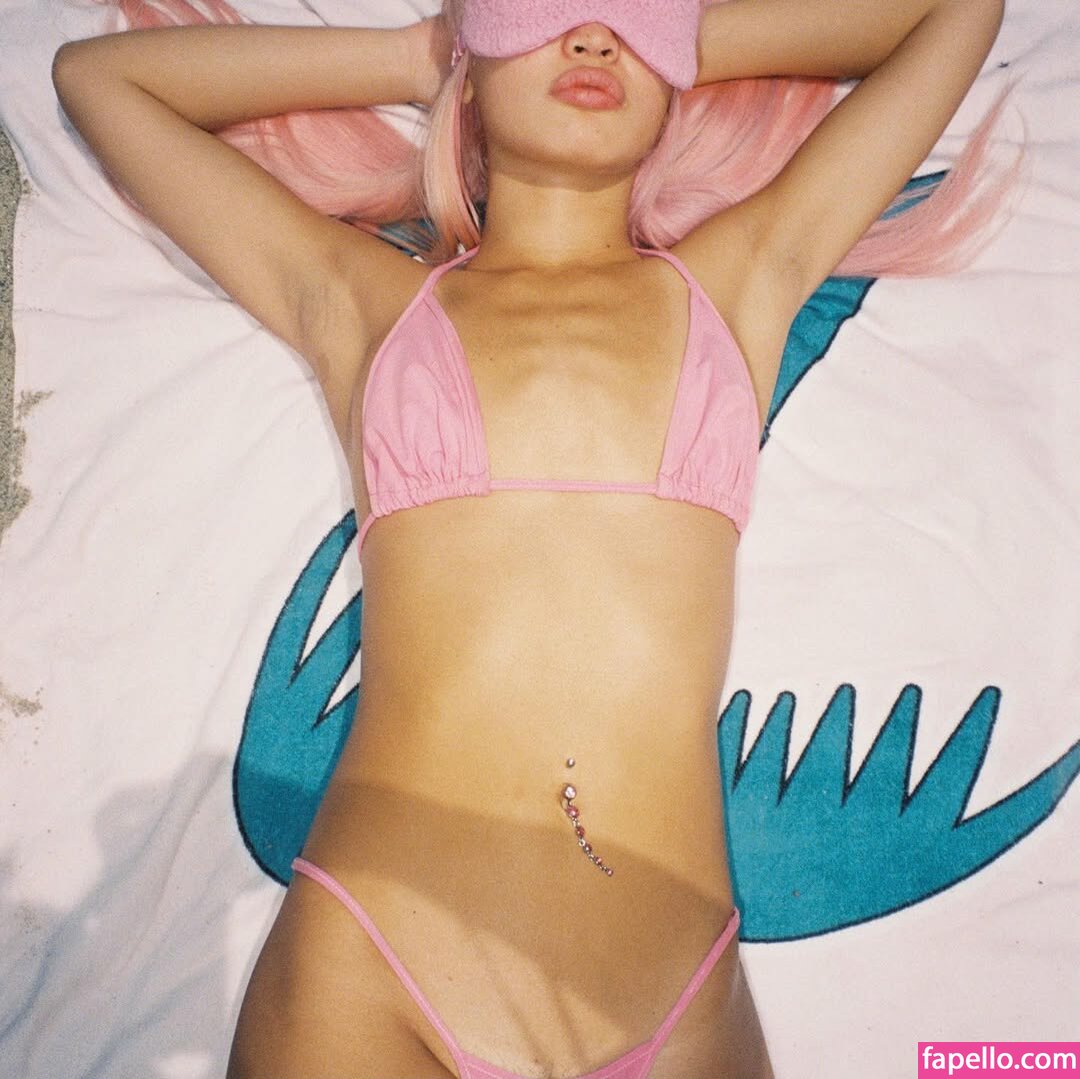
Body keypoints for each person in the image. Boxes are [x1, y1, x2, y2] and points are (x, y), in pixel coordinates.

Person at [51, 0, 1009, 1075]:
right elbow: (101, 81)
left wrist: (668, 42)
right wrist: (429, 53)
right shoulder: (367, 304)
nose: (593, 37)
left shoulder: (743, 281)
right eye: (546, 8)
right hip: (374, 973)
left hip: (674, 1002)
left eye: (629, 19)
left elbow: (958, 11)